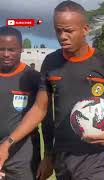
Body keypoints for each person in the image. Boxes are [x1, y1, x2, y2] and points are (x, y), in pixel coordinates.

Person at [0, 1, 104, 180]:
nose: (62, 36)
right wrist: (10, 144)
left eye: (68, 31)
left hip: (92, 155)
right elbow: (40, 109)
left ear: (85, 29)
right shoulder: (50, 63)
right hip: (61, 154)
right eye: (58, 30)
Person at [0, 26, 41, 180]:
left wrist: (50, 153)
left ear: (21, 49)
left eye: (11, 49)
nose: (6, 54)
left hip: (23, 157)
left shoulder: (34, 78)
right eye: (1, 49)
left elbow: (46, 118)